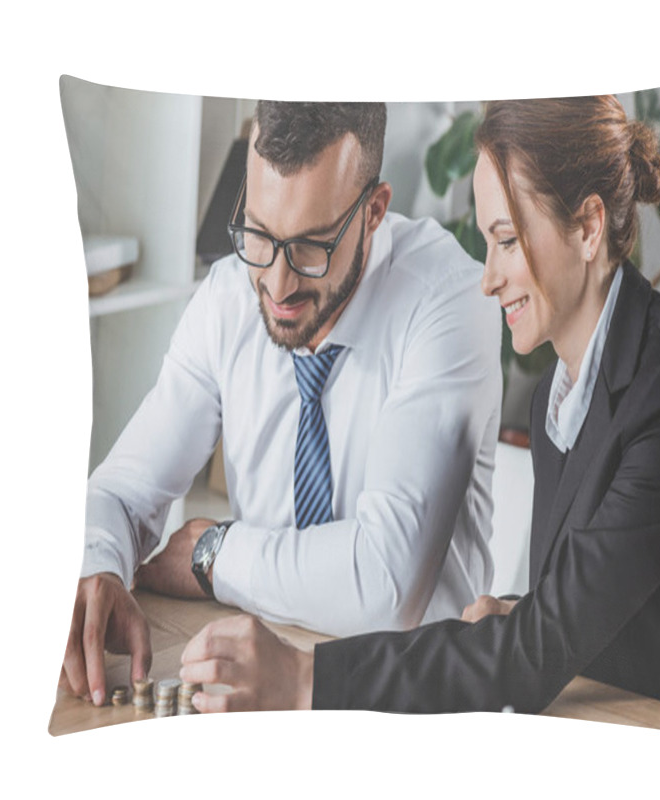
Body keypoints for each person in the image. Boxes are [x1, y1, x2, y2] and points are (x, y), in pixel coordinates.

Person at [179, 96, 660, 736]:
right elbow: (615, 589)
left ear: (587, 227)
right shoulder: (564, 386)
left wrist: (306, 677)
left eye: (505, 241)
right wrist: (523, 611)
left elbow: (533, 660)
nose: (488, 280)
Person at [60, 101, 503, 707]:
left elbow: (383, 586)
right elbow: (120, 492)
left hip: (410, 702)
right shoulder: (228, 298)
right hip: (253, 688)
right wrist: (99, 566)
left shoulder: (449, 303)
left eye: (312, 247)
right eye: (260, 235)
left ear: (374, 213)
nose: (277, 283)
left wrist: (217, 552)